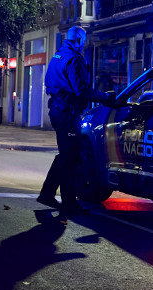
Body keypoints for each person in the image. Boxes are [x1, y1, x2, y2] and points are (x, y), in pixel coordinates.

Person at [37, 26, 109, 216]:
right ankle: (69, 203)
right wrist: (105, 97)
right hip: (68, 113)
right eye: (83, 42)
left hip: (57, 110)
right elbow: (82, 91)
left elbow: (49, 82)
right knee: (70, 159)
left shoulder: (58, 55)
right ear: (79, 41)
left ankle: (47, 193)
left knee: (66, 154)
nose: (83, 46)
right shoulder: (75, 59)